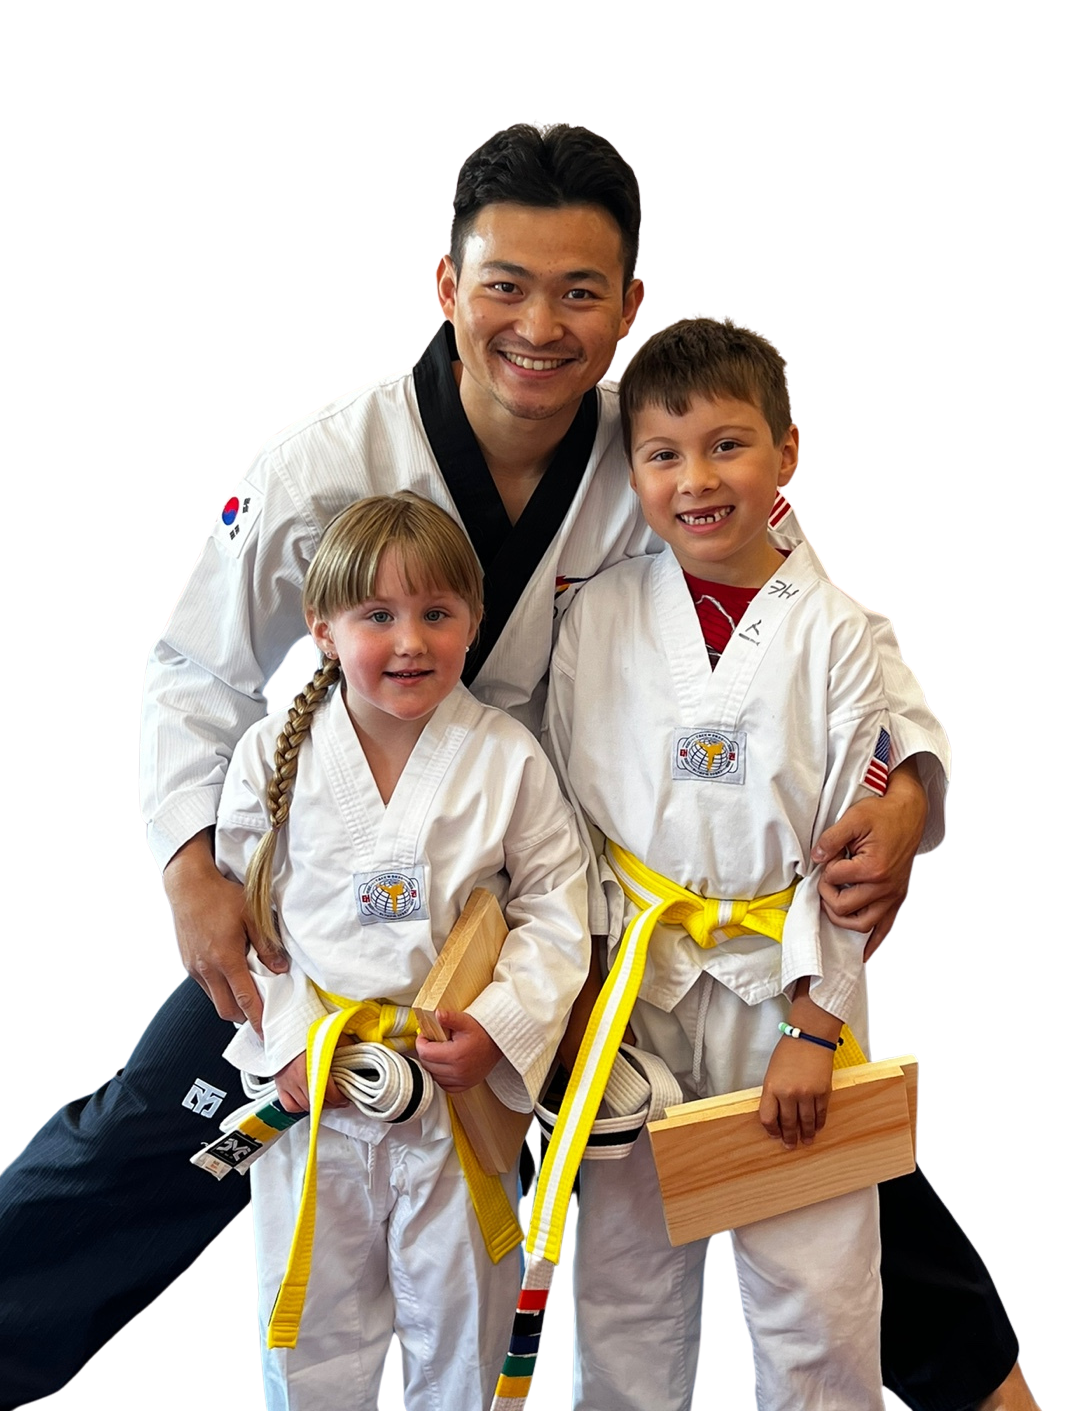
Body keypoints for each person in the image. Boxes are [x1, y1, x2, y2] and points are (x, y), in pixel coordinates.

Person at [0, 123, 1029, 1411]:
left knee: (801, 1126)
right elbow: (198, 670)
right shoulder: (325, 459)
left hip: (579, 880)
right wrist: (190, 870)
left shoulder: (666, 440)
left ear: (628, 307)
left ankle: (984, 1385)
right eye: (506, 285)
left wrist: (909, 795)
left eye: (580, 292)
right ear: (447, 286)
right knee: (165, 1129)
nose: (539, 326)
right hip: (347, 876)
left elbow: (819, 638)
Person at [545, 314, 901, 1408]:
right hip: (628, 997)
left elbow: (851, 854)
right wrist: (573, 991)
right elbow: (559, 827)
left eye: (727, 446)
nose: (696, 480)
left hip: (784, 994)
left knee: (817, 1295)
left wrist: (815, 1025)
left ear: (785, 456)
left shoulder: (845, 633)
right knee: (622, 1295)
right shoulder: (592, 616)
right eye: (663, 454)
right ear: (632, 469)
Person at [213, 492, 588, 1408]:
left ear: (474, 621)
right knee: (312, 1347)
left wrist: (498, 1027)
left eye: (435, 613)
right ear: (323, 632)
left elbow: (555, 908)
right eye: (377, 616)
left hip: (454, 1093)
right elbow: (250, 923)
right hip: (320, 1091)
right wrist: (296, 1036)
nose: (410, 640)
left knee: (465, 1345)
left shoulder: (506, 757)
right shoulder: (272, 755)